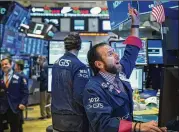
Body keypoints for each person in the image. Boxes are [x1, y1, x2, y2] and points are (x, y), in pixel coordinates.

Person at [83, 4, 167, 132]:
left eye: (114, 51)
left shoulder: (119, 74)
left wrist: (135, 23)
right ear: (99, 64)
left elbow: (131, 50)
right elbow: (103, 124)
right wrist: (138, 126)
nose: (116, 55)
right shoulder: (93, 89)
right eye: (110, 54)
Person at [51, 33, 90, 132]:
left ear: (65, 46)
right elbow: (79, 95)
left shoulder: (56, 63)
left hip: (56, 116)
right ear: (79, 46)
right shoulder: (79, 66)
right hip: (74, 118)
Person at [0, 57, 29, 132]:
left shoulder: (20, 77)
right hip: (2, 109)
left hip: (15, 108)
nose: (4, 66)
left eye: (6, 64)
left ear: (10, 64)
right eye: (2, 65)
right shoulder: (0, 78)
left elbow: (25, 92)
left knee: (15, 129)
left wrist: (23, 103)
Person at [14, 60, 28, 132]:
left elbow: (25, 91)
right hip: (17, 101)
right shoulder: (16, 75)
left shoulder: (22, 76)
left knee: (19, 122)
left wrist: (23, 102)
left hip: (20, 102)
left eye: (15, 65)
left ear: (18, 66)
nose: (14, 66)